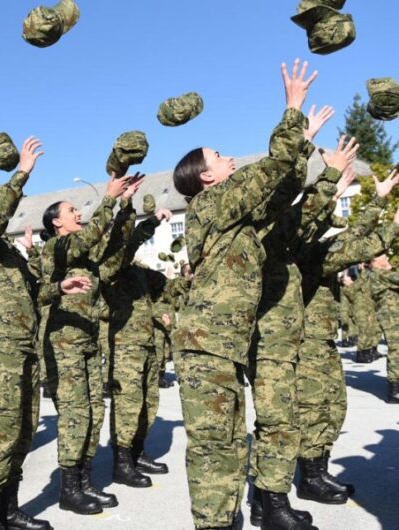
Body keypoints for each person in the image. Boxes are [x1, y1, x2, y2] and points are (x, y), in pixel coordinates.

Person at [171, 59, 314, 530]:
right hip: (205, 340)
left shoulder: (234, 214)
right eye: (220, 156)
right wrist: (292, 109)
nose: (229, 158)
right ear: (205, 176)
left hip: (223, 341)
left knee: (229, 442)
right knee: (214, 447)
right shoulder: (211, 204)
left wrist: (305, 143)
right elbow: (270, 170)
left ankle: (231, 517)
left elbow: (282, 186)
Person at [0, 136, 90, 530]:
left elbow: (32, 291)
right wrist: (21, 174)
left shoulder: (7, 251)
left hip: (24, 347)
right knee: (1, 432)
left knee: (23, 430)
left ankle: (8, 508)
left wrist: (58, 288)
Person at [245, 106, 354, 529]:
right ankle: (270, 501)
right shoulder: (259, 228)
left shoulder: (284, 237)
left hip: (290, 337)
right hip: (272, 337)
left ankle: (276, 497)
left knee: (292, 419)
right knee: (279, 422)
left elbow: (303, 213)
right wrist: (318, 163)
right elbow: (296, 206)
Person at [295, 168, 399, 505]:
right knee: (315, 411)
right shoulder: (306, 251)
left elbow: (353, 235)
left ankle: (318, 470)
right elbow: (360, 246)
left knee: (334, 409)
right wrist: (394, 223)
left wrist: (378, 200)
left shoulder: (315, 245)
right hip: (306, 341)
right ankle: (309, 477)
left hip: (320, 340)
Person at [39, 174, 141, 514]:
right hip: (64, 344)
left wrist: (125, 207)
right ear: (57, 223)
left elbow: (114, 254)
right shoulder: (56, 249)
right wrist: (108, 198)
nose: (77, 213)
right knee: (74, 416)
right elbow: (85, 241)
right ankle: (69, 490)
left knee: (94, 412)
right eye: (71, 211)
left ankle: (83, 482)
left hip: (88, 343)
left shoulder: (87, 259)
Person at [105, 204, 173, 488]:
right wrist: (151, 222)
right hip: (125, 345)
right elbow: (128, 244)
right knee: (128, 404)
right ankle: (121, 463)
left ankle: (137, 451)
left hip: (146, 342)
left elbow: (165, 288)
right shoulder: (111, 263)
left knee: (148, 402)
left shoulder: (138, 270)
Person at [367, 247, 399, 403]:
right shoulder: (381, 274)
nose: (387, 258)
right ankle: (394, 390)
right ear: (375, 261)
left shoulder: (379, 274)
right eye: (383, 256)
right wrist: (390, 269)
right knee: (396, 349)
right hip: (391, 317)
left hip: (392, 315)